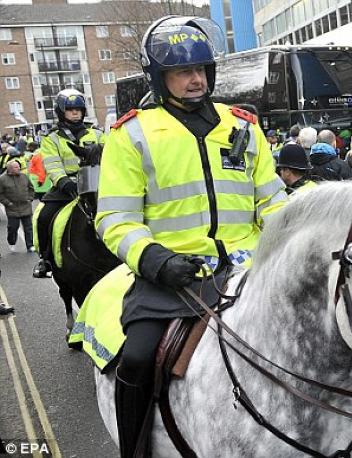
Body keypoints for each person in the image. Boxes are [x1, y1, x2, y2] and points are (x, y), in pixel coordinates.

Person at [91, 16, 287, 457]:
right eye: (182, 71)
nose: (195, 79)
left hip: (249, 270)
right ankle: (136, 450)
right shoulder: (131, 135)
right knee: (138, 357)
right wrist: (155, 260)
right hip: (173, 276)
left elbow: (274, 203)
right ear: (160, 80)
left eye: (200, 69)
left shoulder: (243, 126)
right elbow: (116, 220)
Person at [33, 88, 106, 278]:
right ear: (61, 112)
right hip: (67, 188)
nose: (75, 113)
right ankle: (46, 259)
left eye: (78, 110)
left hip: (97, 185)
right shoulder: (52, 139)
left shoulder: (97, 134)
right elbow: (52, 163)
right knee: (43, 216)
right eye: (70, 110)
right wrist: (64, 181)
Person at [0, 160, 35, 252]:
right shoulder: (2, 179)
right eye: (16, 167)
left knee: (29, 228)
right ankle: (12, 242)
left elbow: (31, 188)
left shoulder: (24, 176)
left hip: (26, 206)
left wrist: (30, 198)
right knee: (13, 228)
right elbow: (0, 194)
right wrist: (7, 203)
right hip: (12, 208)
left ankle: (30, 245)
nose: (19, 168)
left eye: (18, 166)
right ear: (10, 169)